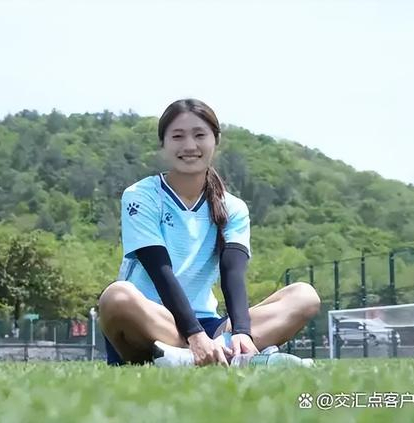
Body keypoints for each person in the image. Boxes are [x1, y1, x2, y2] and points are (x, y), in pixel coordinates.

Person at [98, 98, 321, 367]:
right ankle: (226, 357)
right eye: (177, 136)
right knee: (117, 296)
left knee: (304, 296)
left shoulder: (233, 207)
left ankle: (203, 356)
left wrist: (242, 331)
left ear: (216, 140)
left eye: (199, 135)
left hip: (211, 327)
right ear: (163, 144)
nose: (189, 146)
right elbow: (160, 271)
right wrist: (194, 335)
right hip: (153, 322)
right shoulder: (141, 196)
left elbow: (232, 274)